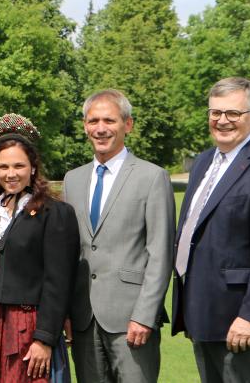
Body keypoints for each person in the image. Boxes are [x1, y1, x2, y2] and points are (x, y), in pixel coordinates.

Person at [172, 77, 250, 382]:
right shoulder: (203, 163)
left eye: (233, 113)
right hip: (203, 313)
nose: (222, 121)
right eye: (215, 113)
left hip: (241, 321)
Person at [61, 90, 174, 382]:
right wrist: (66, 312)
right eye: (93, 120)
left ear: (128, 124)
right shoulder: (72, 180)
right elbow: (68, 253)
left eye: (109, 120)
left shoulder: (152, 177)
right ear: (85, 126)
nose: (100, 128)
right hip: (84, 317)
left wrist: (145, 315)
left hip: (132, 320)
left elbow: (161, 254)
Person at [0, 113, 78, 383]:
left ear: (33, 168)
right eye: (3, 167)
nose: (11, 174)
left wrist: (45, 338)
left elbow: (58, 282)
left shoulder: (55, 213)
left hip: (28, 326)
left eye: (19, 166)